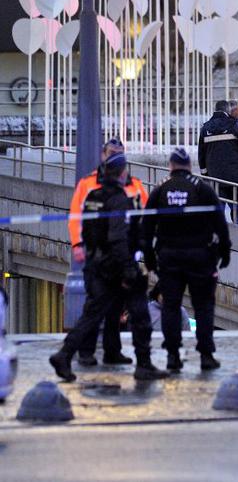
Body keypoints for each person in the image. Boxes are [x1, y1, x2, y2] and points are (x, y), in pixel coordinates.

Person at [49, 154, 168, 382]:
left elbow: (87, 229)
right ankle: (144, 365)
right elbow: (118, 238)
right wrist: (129, 269)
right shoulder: (119, 200)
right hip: (118, 266)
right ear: (122, 173)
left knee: (92, 315)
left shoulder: (93, 197)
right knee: (140, 315)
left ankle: (65, 354)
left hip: (98, 265)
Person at [142, 148, 230, 372]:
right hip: (200, 256)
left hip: (169, 257)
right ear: (189, 166)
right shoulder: (201, 188)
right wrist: (224, 251)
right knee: (203, 306)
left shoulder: (160, 189)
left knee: (170, 307)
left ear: (171, 166)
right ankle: (206, 355)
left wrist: (150, 258)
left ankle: (173, 355)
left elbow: (146, 228)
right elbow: (220, 222)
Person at [69, 137, 149, 367]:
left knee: (115, 306)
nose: (116, 156)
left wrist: (141, 246)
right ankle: (85, 351)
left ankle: (112, 351)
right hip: (99, 254)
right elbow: (76, 216)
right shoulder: (88, 184)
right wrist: (77, 244)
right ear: (103, 155)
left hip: (122, 255)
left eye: (120, 152)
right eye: (112, 152)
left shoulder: (134, 185)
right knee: (95, 304)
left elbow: (146, 216)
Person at [198, 99, 238, 219]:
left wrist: (205, 175)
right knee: (236, 209)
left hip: (215, 177)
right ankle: (236, 227)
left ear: (215, 110)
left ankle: (220, 229)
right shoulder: (235, 125)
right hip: (235, 178)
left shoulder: (205, 128)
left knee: (217, 212)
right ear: (228, 110)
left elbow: (201, 155)